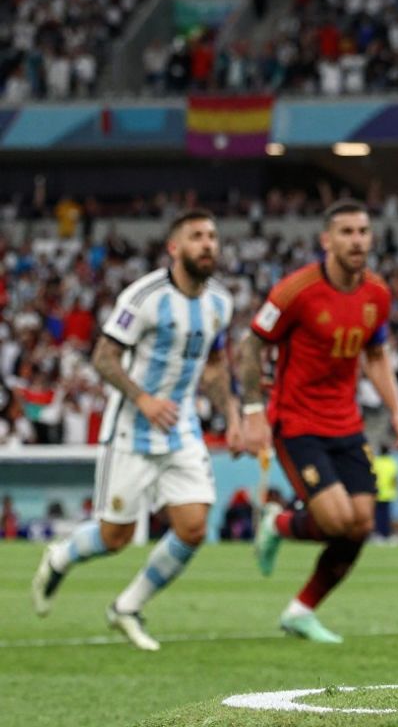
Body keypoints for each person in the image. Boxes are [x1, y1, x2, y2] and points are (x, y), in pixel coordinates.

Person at [31, 210, 239, 651]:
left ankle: (127, 607)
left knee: (194, 527)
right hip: (131, 429)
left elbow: (217, 364)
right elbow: (104, 357)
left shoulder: (220, 302)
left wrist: (234, 417)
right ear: (174, 247)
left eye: (212, 237)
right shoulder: (144, 296)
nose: (208, 244)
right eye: (197, 237)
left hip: (181, 426)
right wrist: (143, 398)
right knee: (115, 538)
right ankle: (60, 556)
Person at [239, 200, 398, 644]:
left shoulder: (377, 294)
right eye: (347, 232)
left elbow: (374, 355)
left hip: (346, 422)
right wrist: (253, 411)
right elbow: (252, 345)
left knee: (361, 523)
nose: (357, 240)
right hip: (296, 421)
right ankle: (277, 523)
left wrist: (396, 409)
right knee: (337, 521)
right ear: (327, 240)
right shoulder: (295, 291)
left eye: (363, 231)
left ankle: (301, 610)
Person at [372, 445, 398, 541]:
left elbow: (372, 476)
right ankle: (386, 534)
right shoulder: (392, 463)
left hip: (377, 492)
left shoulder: (376, 462)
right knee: (386, 515)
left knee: (377, 515)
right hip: (388, 492)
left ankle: (378, 534)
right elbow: (395, 479)